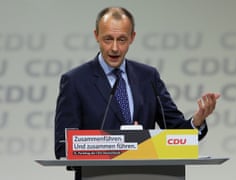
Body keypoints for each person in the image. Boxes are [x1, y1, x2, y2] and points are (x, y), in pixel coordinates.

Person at [54, 7, 220, 178]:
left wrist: (197, 121)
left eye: (122, 39)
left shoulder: (148, 77)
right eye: (108, 39)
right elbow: (62, 146)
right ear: (96, 35)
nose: (115, 48)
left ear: (132, 37)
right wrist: (119, 144)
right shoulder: (75, 81)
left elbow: (175, 131)